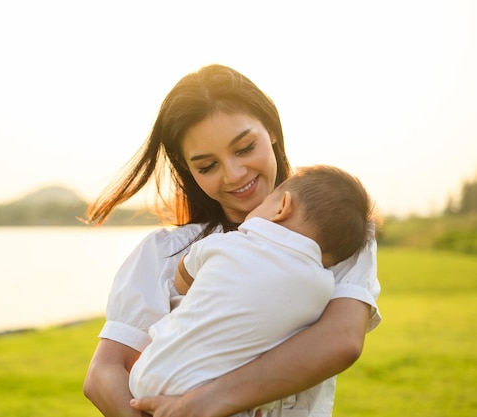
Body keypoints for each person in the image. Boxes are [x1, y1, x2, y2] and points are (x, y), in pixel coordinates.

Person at [82, 64, 381, 417]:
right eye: (207, 166)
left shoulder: (331, 239)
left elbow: (340, 341)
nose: (235, 175)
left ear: (270, 128)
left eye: (244, 148)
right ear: (188, 168)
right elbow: (104, 372)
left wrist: (205, 403)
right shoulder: (165, 252)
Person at [128, 165, 376, 417]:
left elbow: (183, 278)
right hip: (222, 397)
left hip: (149, 375)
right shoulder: (323, 288)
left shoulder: (226, 243)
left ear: (281, 207)